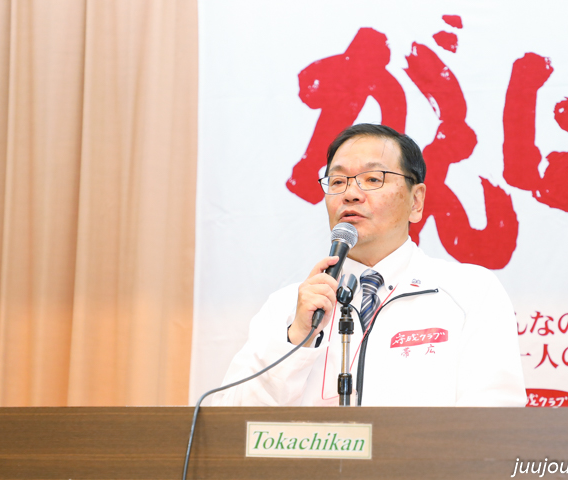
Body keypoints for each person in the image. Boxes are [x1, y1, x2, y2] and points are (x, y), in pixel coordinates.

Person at [214, 124, 526, 407]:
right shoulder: (288, 307)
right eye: (338, 181)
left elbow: (493, 418)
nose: (350, 194)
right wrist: (297, 337)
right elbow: (230, 421)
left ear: (416, 201)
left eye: (373, 179)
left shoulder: (470, 293)